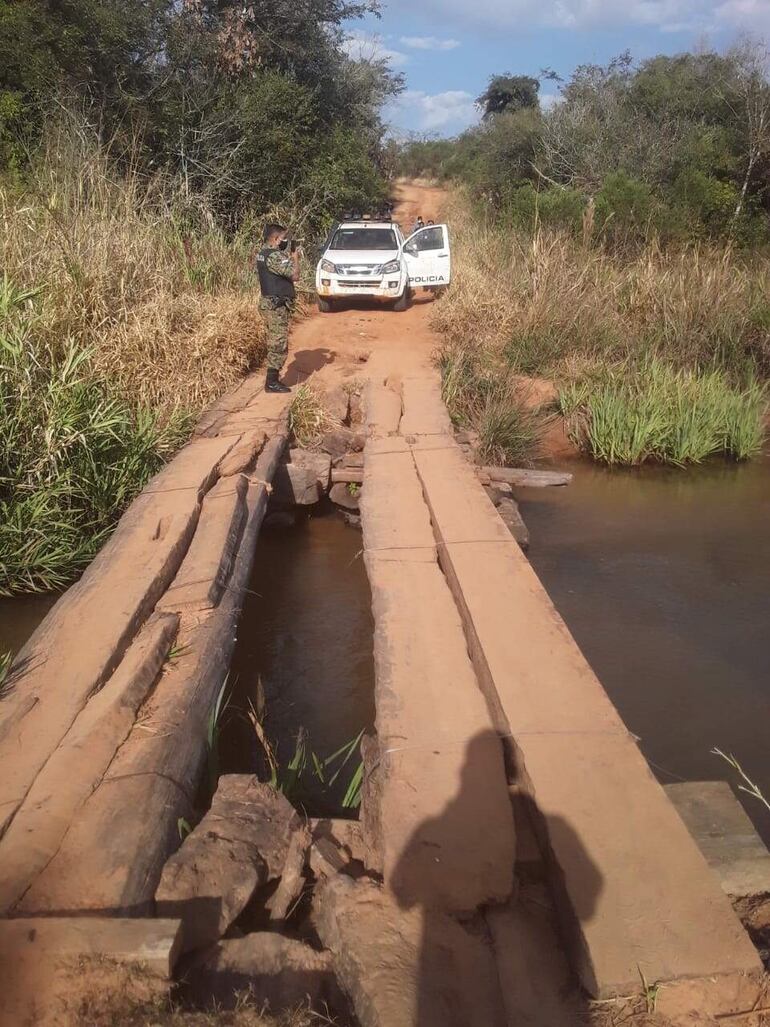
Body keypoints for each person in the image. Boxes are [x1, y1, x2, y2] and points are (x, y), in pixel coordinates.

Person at [256, 222, 300, 393]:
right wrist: (295, 256)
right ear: (275, 238)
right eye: (283, 238)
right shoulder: (275, 256)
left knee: (274, 340)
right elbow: (295, 275)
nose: (285, 241)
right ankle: (271, 382)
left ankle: (272, 379)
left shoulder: (263, 253)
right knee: (278, 343)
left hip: (270, 303)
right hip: (276, 306)